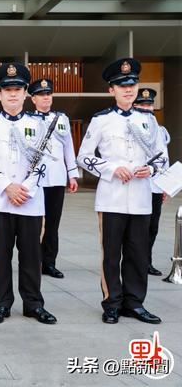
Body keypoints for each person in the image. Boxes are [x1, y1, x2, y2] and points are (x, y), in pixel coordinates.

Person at [77, 58, 165, 324]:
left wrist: (150, 171)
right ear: (111, 90)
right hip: (112, 197)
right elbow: (84, 156)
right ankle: (112, 302)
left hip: (140, 197)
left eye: (132, 84)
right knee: (112, 253)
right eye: (121, 85)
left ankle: (135, 303)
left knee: (138, 253)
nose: (128, 89)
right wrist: (112, 168)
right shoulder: (101, 120)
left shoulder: (149, 121)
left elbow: (162, 158)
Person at [0, 63, 57, 325]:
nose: (13, 94)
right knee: (1, 255)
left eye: (18, 89)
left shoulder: (38, 124)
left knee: (32, 255)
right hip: (0, 201)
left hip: (31, 202)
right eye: (7, 89)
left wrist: (26, 188)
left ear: (26, 93)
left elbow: (45, 160)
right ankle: (1, 304)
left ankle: (33, 304)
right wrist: (7, 187)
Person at [28, 79, 79, 279]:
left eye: (48, 94)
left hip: (56, 177)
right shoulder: (26, 119)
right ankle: (33, 261)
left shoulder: (62, 119)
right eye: (41, 94)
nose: (46, 97)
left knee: (52, 223)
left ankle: (49, 262)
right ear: (33, 99)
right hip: (35, 179)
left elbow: (68, 147)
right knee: (33, 223)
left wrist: (72, 174)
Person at [132, 88, 170, 276]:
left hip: (155, 185)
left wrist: (165, 186)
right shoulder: (131, 125)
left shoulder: (160, 130)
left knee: (152, 227)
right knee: (137, 227)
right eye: (142, 104)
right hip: (138, 183)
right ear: (135, 105)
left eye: (149, 104)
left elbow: (165, 158)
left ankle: (147, 262)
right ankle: (135, 262)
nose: (147, 108)